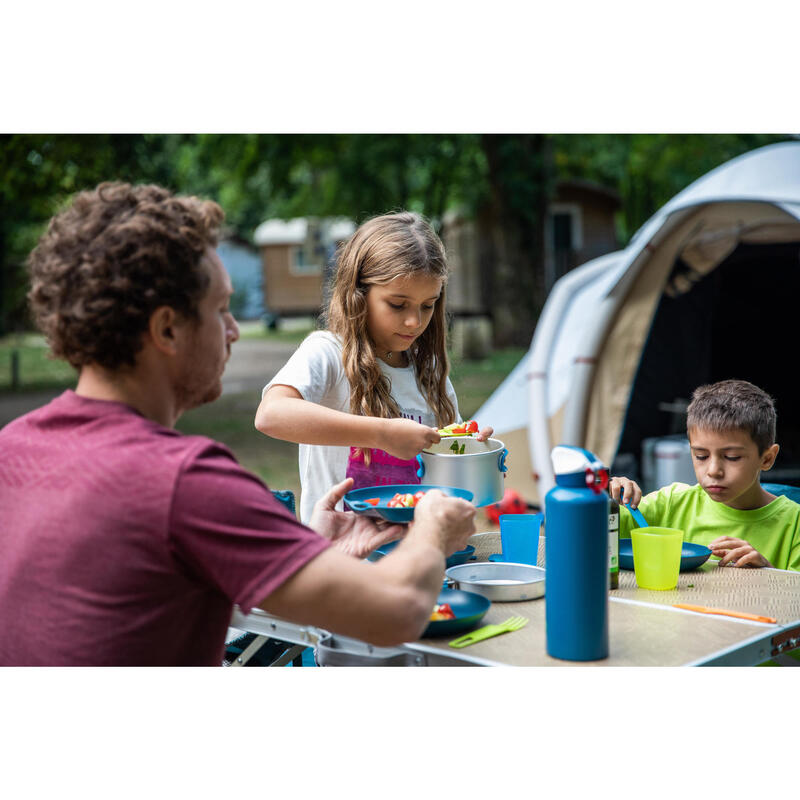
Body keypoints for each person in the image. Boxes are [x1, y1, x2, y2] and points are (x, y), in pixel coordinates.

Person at [0, 183, 477, 667]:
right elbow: (393, 613)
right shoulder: (190, 486)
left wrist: (308, 551)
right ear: (167, 328)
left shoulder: (10, 449)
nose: (233, 330)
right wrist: (434, 529)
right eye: (222, 309)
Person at [255, 211, 493, 522]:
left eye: (427, 305)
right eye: (397, 304)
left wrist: (470, 448)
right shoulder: (328, 353)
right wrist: (381, 433)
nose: (414, 321)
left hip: (414, 557)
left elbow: (445, 467)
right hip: (341, 563)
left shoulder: (430, 372)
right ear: (358, 294)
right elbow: (271, 415)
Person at [611, 379, 800, 571]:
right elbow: (590, 532)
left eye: (732, 457)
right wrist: (601, 496)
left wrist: (769, 571)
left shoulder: (795, 525)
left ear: (767, 459)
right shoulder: (671, 504)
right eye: (701, 456)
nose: (713, 470)